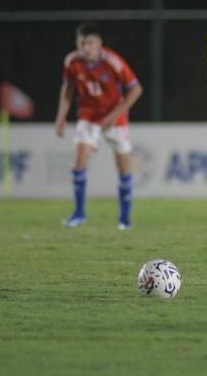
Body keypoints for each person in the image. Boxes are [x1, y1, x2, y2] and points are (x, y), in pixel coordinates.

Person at [55, 22, 143, 230]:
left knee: (123, 168)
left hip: (115, 118)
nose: (85, 47)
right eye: (82, 43)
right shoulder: (72, 61)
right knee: (80, 160)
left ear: (99, 43)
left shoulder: (112, 61)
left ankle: (124, 219)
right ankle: (79, 214)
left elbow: (136, 89)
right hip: (89, 117)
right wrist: (61, 116)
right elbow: (67, 89)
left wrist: (114, 116)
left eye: (90, 43)